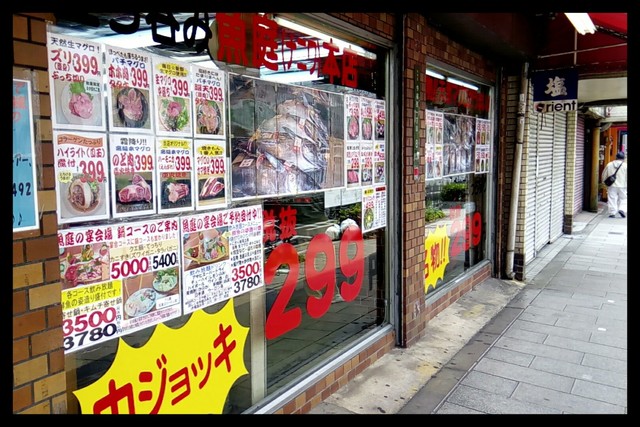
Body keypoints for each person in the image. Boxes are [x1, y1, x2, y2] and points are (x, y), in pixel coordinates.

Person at [601, 151, 627, 218]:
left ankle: (612, 212)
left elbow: (604, 174)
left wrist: (604, 182)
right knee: (623, 198)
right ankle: (622, 209)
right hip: (623, 185)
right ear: (623, 158)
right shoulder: (625, 166)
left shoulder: (609, 164)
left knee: (612, 198)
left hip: (612, 185)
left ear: (616, 157)